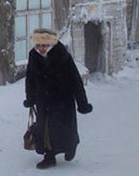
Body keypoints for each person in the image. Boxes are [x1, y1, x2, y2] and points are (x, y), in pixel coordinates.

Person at [23, 28, 92, 169]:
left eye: (45, 46)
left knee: (65, 128)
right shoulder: (33, 56)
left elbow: (75, 80)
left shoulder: (62, 55)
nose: (41, 49)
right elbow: (30, 79)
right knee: (45, 129)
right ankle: (49, 157)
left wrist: (82, 103)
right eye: (39, 46)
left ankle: (70, 147)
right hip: (43, 100)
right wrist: (30, 98)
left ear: (51, 45)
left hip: (62, 99)